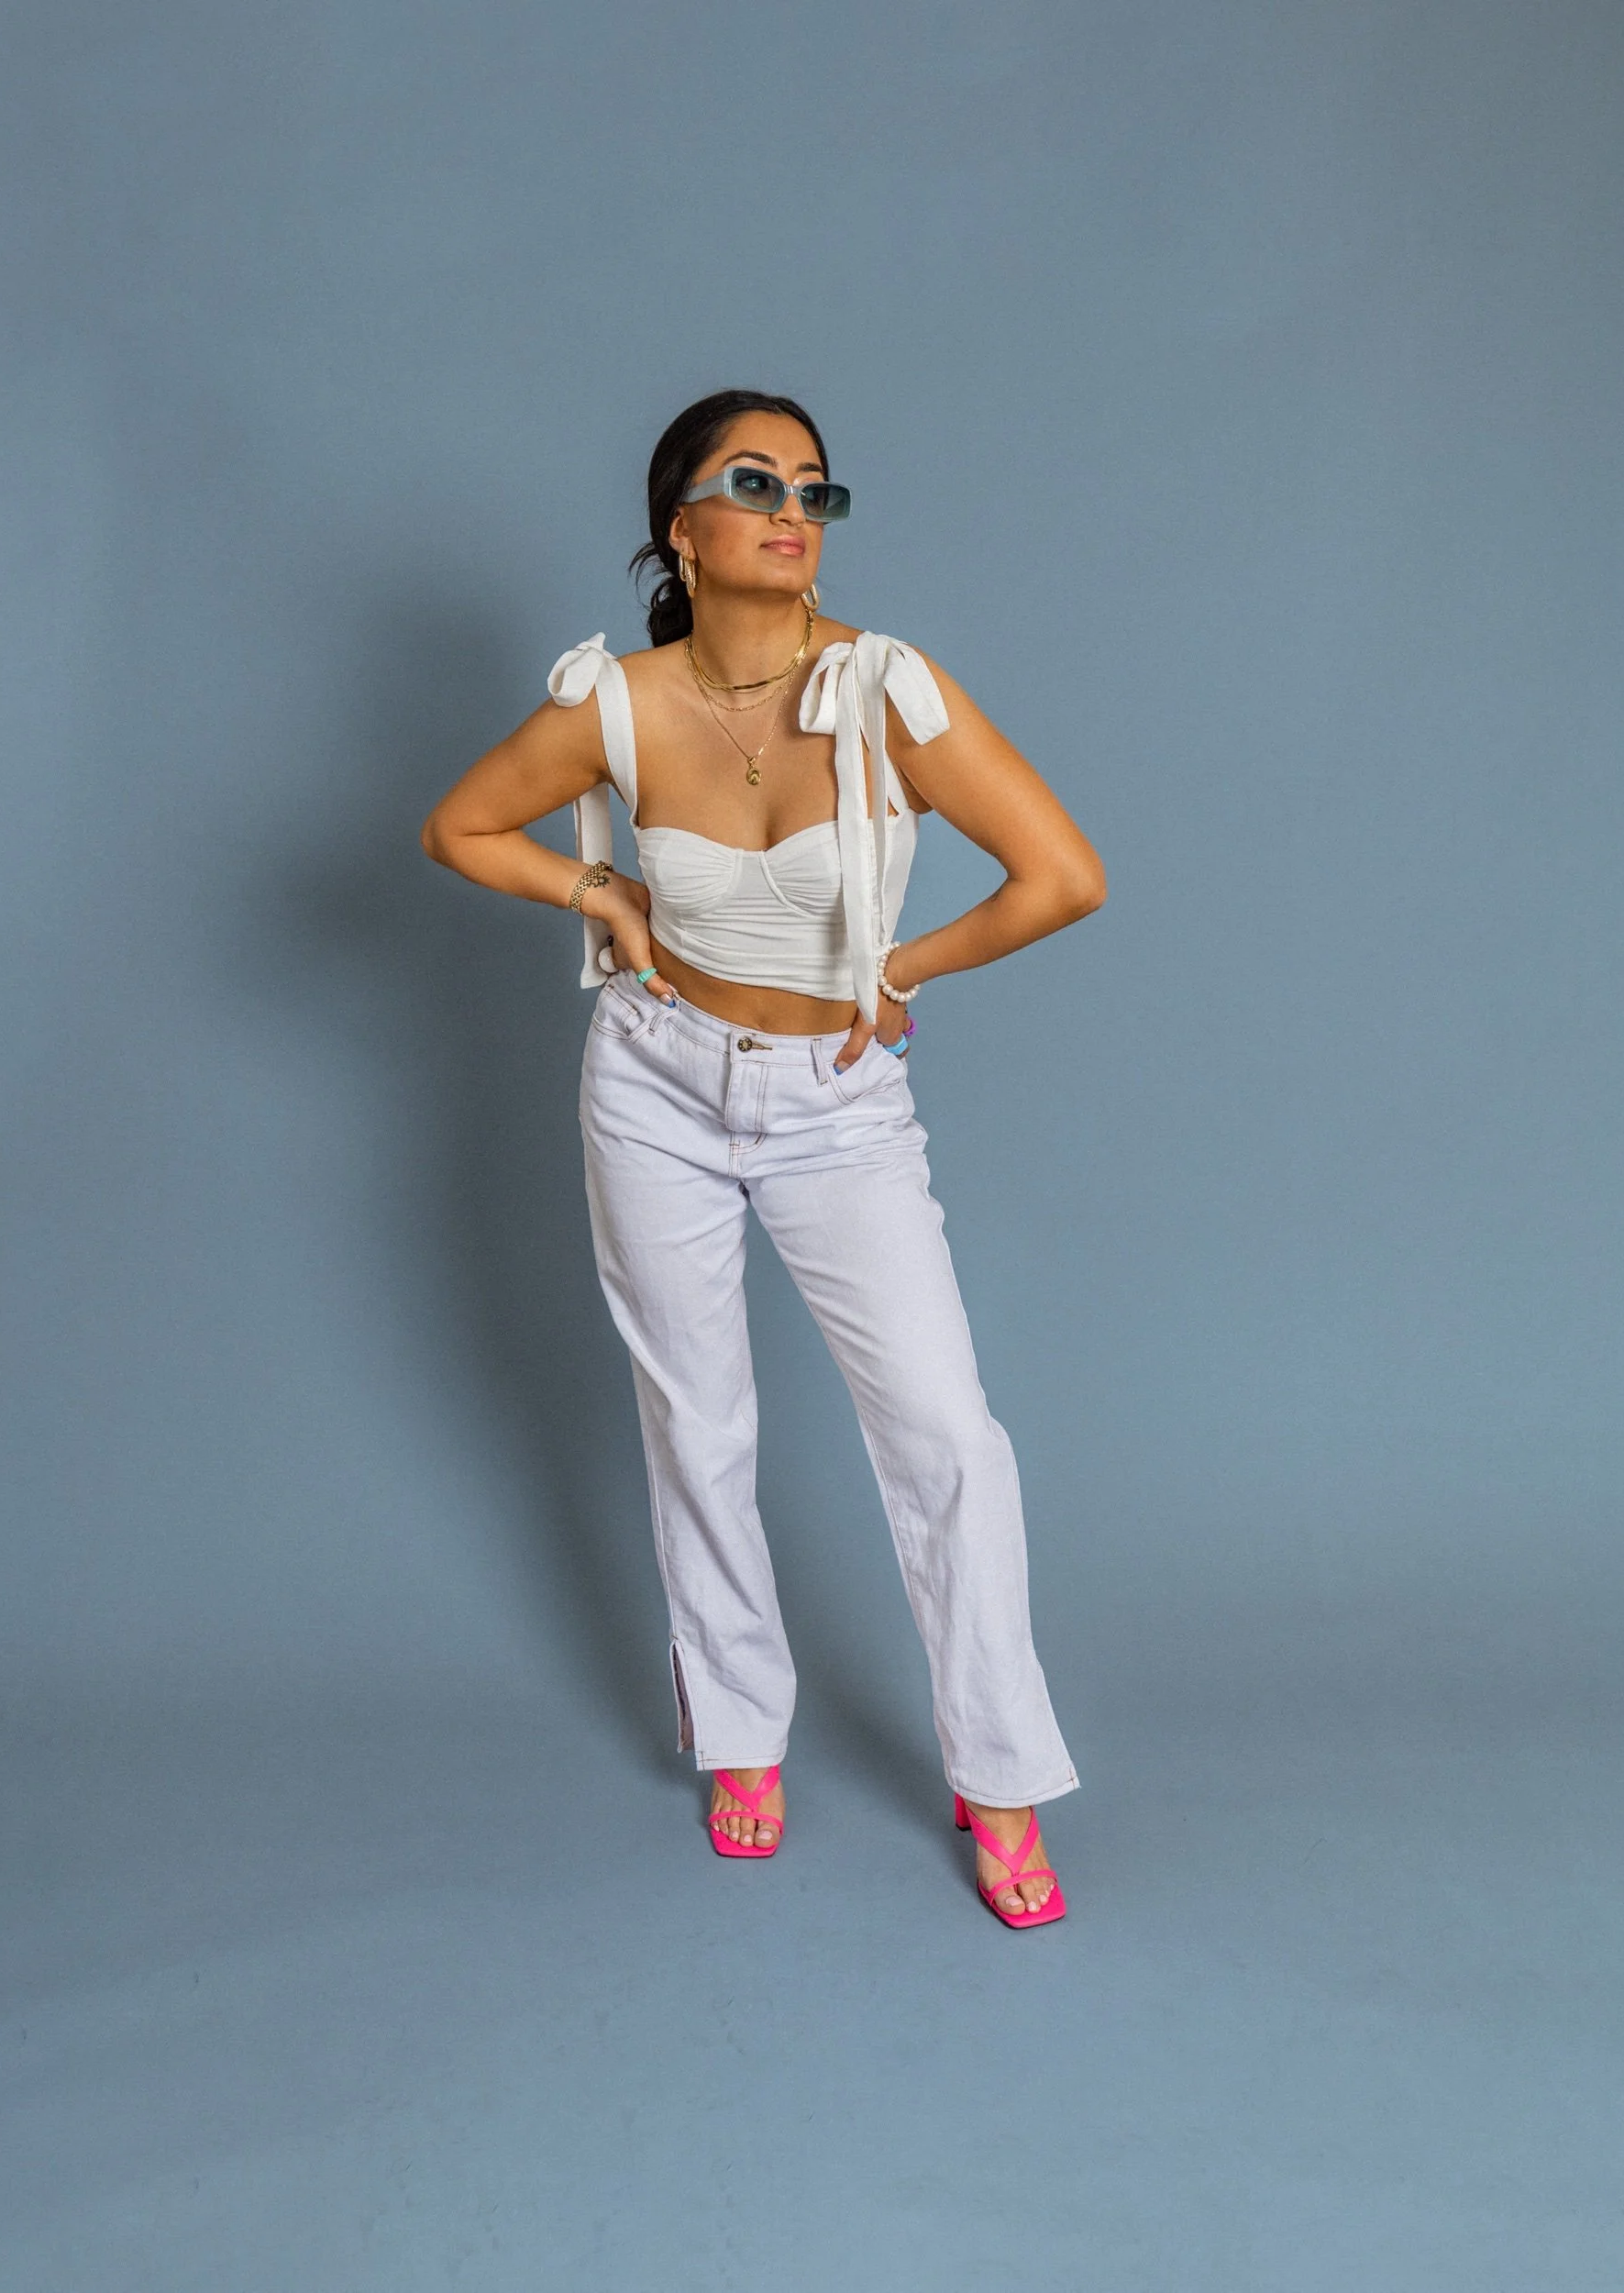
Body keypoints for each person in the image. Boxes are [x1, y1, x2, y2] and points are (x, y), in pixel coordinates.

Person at [422, 389, 1107, 1927]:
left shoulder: (884, 689)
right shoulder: (612, 702)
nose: (794, 510)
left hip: (836, 1104)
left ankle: (998, 1774)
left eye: (814, 488)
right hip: (653, 1083)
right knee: (698, 1422)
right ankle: (739, 1731)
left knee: (947, 1437)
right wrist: (601, 897)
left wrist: (898, 970)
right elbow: (460, 829)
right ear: (682, 527)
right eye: (755, 483)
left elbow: (1062, 876)